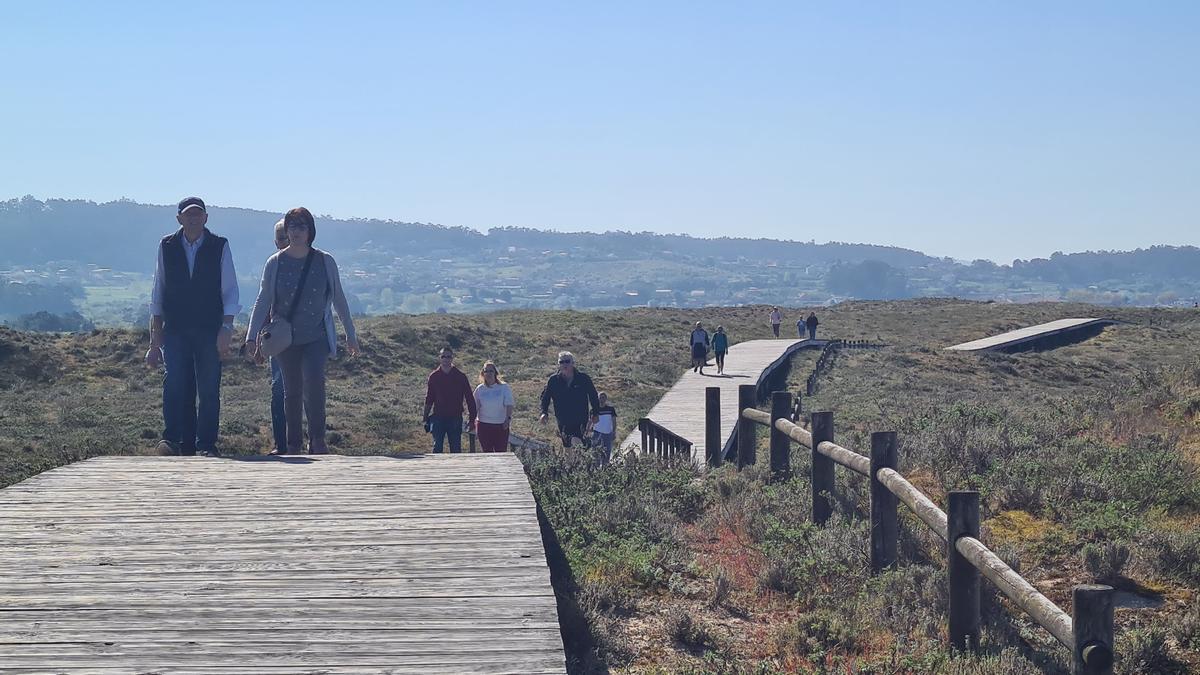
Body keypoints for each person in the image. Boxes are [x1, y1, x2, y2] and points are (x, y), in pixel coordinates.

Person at [245, 207, 359, 455]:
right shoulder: (274, 263)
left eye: (301, 226)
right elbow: (263, 299)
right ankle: (294, 443)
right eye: (292, 226)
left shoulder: (325, 261)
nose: (296, 232)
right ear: (286, 230)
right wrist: (251, 337)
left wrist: (350, 334)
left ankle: (317, 440)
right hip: (286, 339)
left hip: (316, 337)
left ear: (311, 231)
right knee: (292, 390)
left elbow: (339, 298)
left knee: (315, 382)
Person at [146, 196, 239, 457]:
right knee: (175, 383)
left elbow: (230, 290)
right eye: (188, 214)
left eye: (198, 214)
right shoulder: (167, 246)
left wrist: (226, 329)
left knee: (209, 388)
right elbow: (158, 291)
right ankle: (175, 441)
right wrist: (155, 339)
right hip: (175, 328)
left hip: (209, 328)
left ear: (206, 218)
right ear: (179, 219)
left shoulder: (219, 245)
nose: (194, 218)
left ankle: (206, 445)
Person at [422, 347, 477, 453]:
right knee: (437, 447)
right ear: (439, 358)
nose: (446, 359)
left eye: (448, 356)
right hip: (438, 417)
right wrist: (425, 417)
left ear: (452, 358)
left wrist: (472, 420)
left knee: (456, 448)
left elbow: (470, 399)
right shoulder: (434, 376)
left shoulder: (461, 376)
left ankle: (456, 470)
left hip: (455, 418)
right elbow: (429, 398)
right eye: (443, 356)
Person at [539, 351, 600, 448]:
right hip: (563, 420)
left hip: (580, 419)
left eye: (567, 361)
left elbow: (593, 396)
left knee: (578, 442)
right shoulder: (553, 380)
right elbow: (545, 398)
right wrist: (544, 413)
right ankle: (573, 463)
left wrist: (595, 413)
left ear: (573, 363)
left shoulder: (583, 379)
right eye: (561, 362)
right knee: (568, 447)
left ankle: (583, 461)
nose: (564, 364)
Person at [267, 219, 289, 454]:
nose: (287, 241)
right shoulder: (273, 266)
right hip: (279, 339)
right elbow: (264, 301)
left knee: (308, 391)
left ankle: (312, 440)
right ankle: (281, 443)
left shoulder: (315, 261)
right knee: (279, 389)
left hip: (308, 336)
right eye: (282, 237)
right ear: (275, 242)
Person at [473, 361, 513, 453]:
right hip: (483, 426)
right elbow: (475, 406)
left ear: (495, 373)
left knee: (501, 453)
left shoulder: (504, 387)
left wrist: (508, 419)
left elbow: (509, 404)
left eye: (491, 371)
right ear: (483, 373)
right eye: (486, 371)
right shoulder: (480, 389)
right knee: (487, 453)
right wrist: (472, 420)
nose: (488, 374)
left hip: (500, 426)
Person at [590, 392, 617, 465]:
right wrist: (587, 431)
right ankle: (596, 472)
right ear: (598, 399)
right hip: (597, 434)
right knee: (596, 454)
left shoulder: (611, 409)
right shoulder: (594, 410)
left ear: (606, 399)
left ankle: (605, 472)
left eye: (603, 397)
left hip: (608, 434)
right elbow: (590, 422)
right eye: (600, 397)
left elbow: (614, 421)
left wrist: (614, 432)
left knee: (607, 454)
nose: (602, 399)